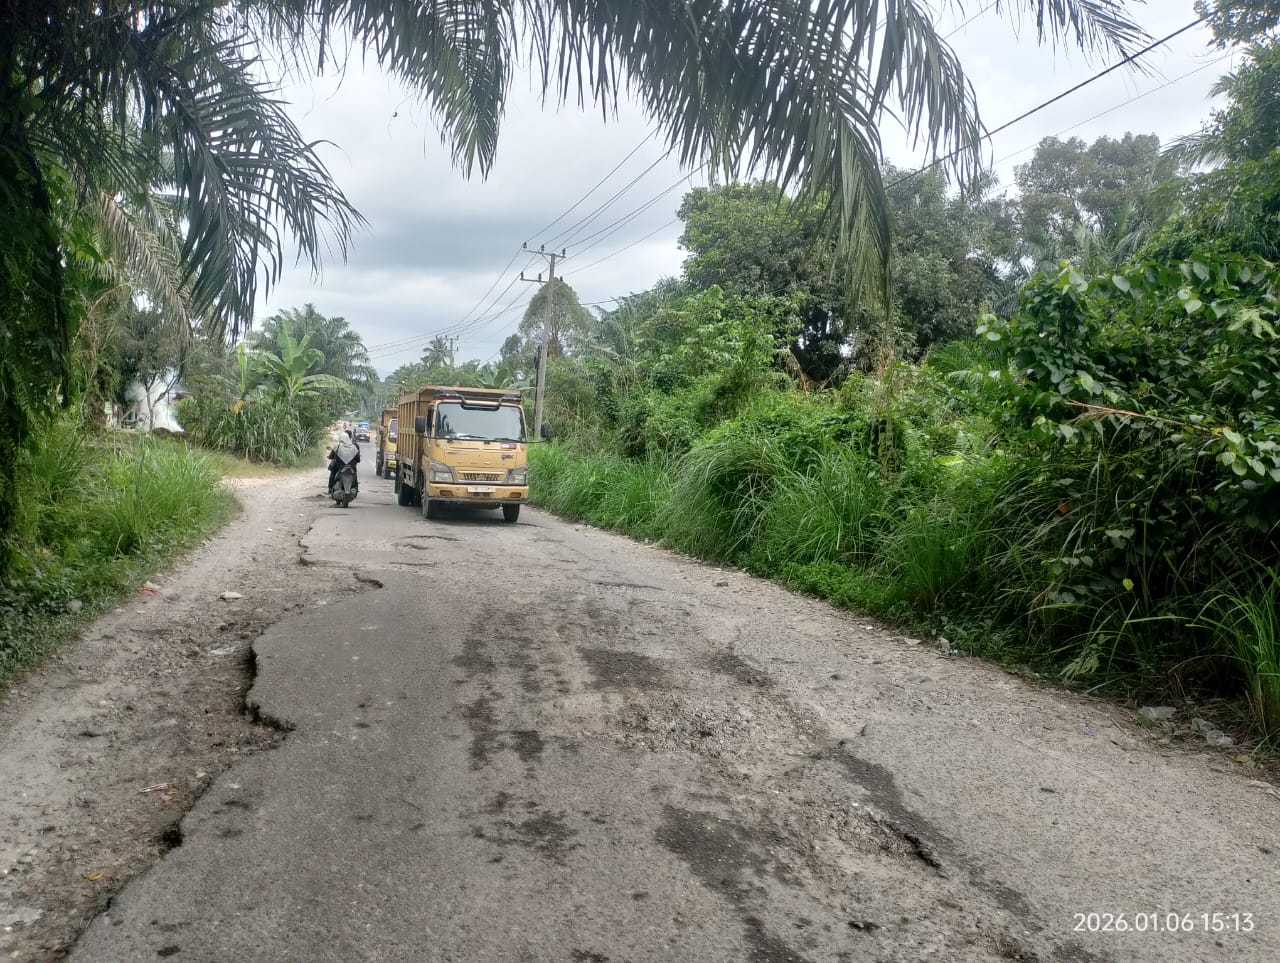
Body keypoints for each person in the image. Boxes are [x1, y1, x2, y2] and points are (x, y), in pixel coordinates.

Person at [327, 429, 361, 493]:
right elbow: (358, 459)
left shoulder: (338, 446)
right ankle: (355, 488)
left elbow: (332, 456)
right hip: (351, 466)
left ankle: (330, 488)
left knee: (333, 473)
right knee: (354, 474)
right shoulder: (354, 446)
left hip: (340, 466)